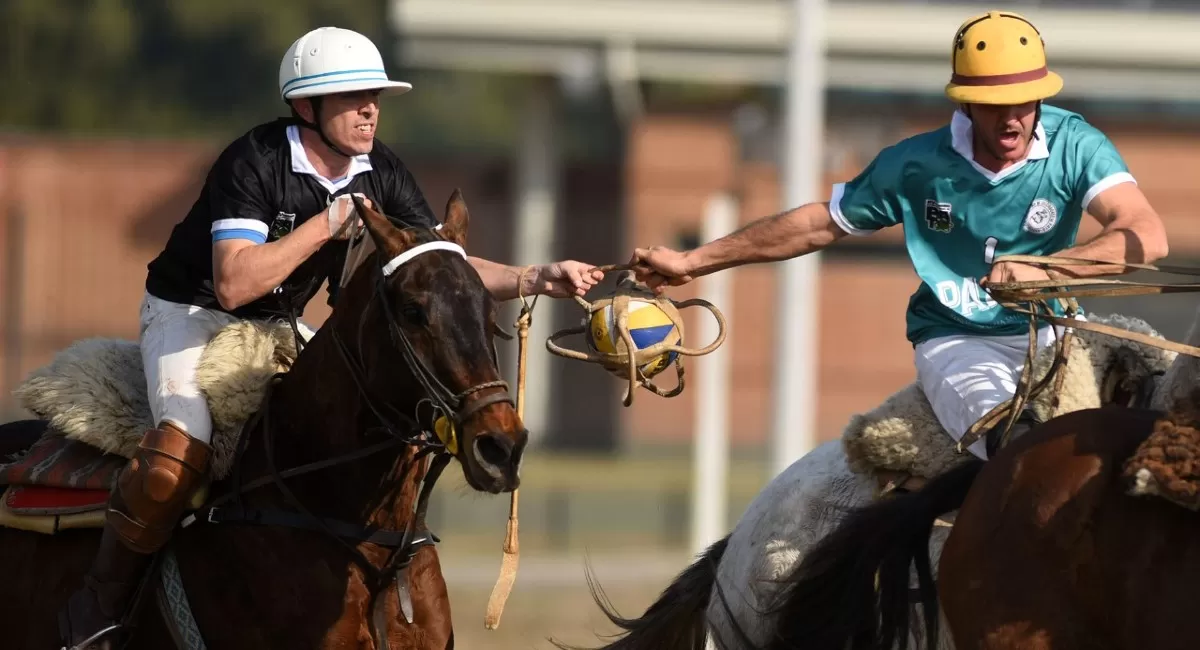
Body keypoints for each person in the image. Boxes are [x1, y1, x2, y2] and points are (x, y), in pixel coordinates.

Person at [60, 26, 604, 649]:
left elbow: (432, 267)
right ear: (306, 107)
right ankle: (99, 605)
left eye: (374, 95)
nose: (370, 109)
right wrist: (329, 222)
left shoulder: (383, 170)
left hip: (278, 324)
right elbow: (235, 284)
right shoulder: (255, 160)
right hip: (191, 314)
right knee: (175, 459)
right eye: (351, 98)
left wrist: (534, 276)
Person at [629, 11, 1168, 458]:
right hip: (961, 341)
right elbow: (818, 223)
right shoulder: (913, 165)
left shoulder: (1078, 144)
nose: (1012, 120)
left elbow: (1145, 234)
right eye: (995, 105)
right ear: (965, 102)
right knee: (1025, 452)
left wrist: (1047, 269)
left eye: (1025, 103)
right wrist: (695, 261)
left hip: (1057, 333)